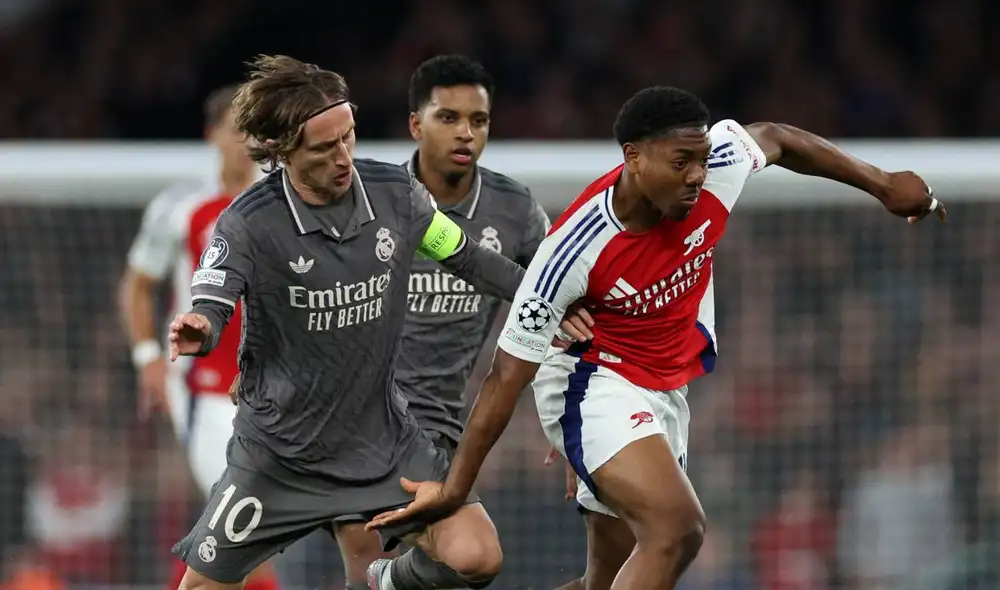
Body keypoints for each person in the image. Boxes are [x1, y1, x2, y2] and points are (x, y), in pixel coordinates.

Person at [364, 85, 947, 590]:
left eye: (700, 159)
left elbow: (777, 137)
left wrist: (883, 182)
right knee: (678, 529)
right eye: (680, 163)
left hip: (665, 390)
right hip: (592, 383)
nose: (697, 174)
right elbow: (504, 378)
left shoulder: (716, 165)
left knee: (609, 579)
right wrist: (455, 488)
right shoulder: (572, 249)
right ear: (633, 158)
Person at [166, 54, 590, 590]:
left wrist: (547, 301)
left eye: (349, 137)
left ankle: (385, 582)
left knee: (476, 556)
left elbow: (464, 256)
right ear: (284, 153)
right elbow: (215, 290)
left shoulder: (395, 195)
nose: (344, 157)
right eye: (325, 148)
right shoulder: (250, 220)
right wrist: (201, 326)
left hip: (382, 443)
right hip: (279, 454)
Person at [312, 54, 563, 590]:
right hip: (353, 418)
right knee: (360, 566)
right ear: (415, 124)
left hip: (439, 431)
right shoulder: (367, 201)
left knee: (474, 560)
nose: (466, 133)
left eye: (479, 120)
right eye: (448, 117)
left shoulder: (515, 211)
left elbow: (556, 312)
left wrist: (569, 429)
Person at [118, 86, 281, 590]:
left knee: (247, 525)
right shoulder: (182, 206)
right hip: (203, 387)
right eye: (237, 129)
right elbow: (138, 285)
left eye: (256, 131)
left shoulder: (286, 200)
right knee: (239, 513)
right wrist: (147, 357)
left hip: (279, 385)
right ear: (212, 135)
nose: (246, 141)